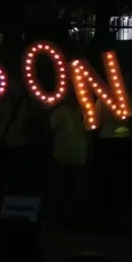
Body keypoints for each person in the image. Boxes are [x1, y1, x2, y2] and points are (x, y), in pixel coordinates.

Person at [95, 74, 132, 225]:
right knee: (109, 181)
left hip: (126, 145)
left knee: (125, 180)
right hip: (108, 145)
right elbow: (94, 122)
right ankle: (111, 215)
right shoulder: (103, 100)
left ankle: (125, 215)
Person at [48, 93, 90, 227]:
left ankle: (77, 222)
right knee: (60, 191)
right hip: (61, 158)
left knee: (78, 193)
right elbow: (50, 129)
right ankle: (60, 221)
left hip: (80, 159)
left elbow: (91, 135)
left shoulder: (87, 111)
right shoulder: (60, 111)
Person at [0, 79, 35, 197]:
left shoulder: (29, 107)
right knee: (4, 176)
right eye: (12, 89)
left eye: (16, 89)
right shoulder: (6, 103)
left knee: (18, 177)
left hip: (20, 147)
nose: (13, 91)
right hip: (5, 144)